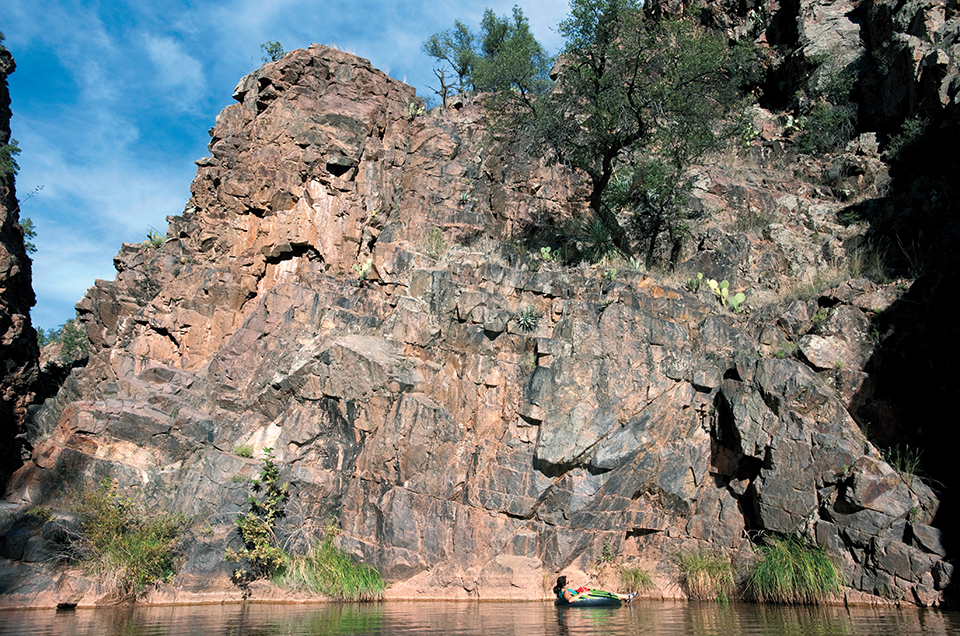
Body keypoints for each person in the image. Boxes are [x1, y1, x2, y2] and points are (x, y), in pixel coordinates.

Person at [552, 575, 637, 603]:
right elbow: (570, 600)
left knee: (604, 591)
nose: (569, 583)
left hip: (584, 594)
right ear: (564, 585)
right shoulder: (565, 591)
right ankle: (627, 597)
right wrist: (581, 594)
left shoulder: (561, 591)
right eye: (568, 582)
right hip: (585, 596)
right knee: (606, 593)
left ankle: (626, 597)